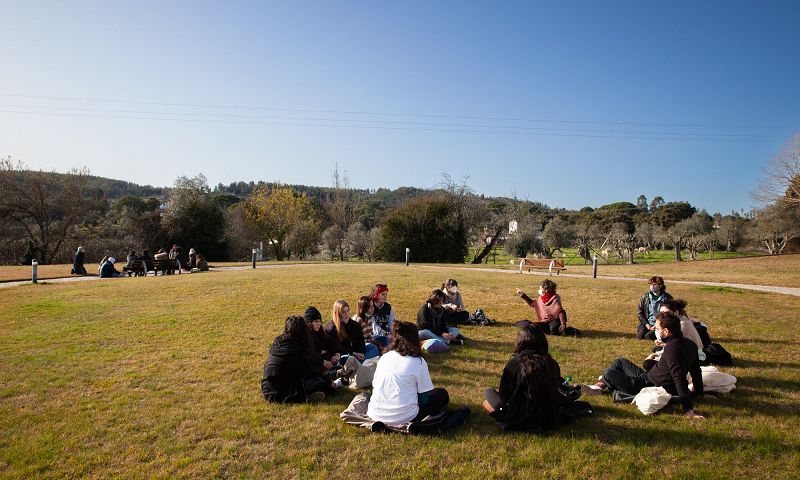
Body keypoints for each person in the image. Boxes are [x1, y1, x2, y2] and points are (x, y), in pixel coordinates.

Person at [582, 312, 705, 419]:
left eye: (657, 328)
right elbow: (696, 371)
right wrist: (700, 393)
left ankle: (602, 385)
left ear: (666, 331)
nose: (654, 330)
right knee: (620, 362)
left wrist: (688, 410)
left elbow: (678, 377)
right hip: (648, 377)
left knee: (609, 373)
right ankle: (601, 386)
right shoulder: (690, 344)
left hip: (648, 385)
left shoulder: (672, 348)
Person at [483, 324, 582, 430]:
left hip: (519, 418)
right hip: (549, 418)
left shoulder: (513, 364)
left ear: (520, 342)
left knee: (488, 394)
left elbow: (504, 395)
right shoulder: (551, 363)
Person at [366, 321, 450, 426]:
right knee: (441, 394)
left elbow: (375, 388)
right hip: (405, 417)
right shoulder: (418, 362)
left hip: (375, 414)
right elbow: (423, 400)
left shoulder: (384, 357)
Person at [261, 315, 333, 403]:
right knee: (317, 382)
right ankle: (304, 398)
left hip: (267, 389)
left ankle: (304, 397)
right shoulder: (296, 351)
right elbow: (310, 371)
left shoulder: (279, 342)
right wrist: (329, 383)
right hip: (282, 393)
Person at [304, 306, 343, 386]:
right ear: (309, 323)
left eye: (319, 321)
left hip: (323, 362)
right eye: (315, 321)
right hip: (312, 366)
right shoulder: (305, 336)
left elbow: (332, 342)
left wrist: (337, 353)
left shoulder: (320, 332)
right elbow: (309, 355)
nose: (318, 324)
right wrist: (322, 362)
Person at [637, 276, 673, 340]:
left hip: (661, 324)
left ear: (660, 286)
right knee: (640, 335)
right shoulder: (645, 297)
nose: (652, 286)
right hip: (647, 323)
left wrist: (658, 325)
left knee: (648, 336)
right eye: (650, 284)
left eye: (654, 284)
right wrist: (647, 324)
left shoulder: (667, 298)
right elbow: (640, 312)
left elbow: (669, 315)